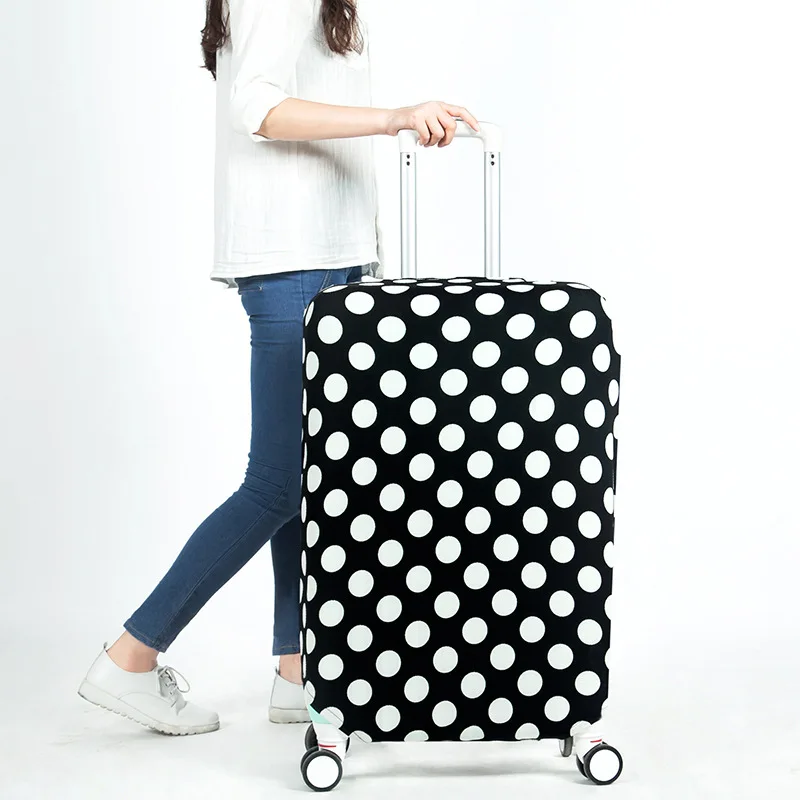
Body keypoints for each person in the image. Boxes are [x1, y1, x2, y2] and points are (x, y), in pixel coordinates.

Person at [77, 0, 480, 736]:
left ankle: (297, 670)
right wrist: (394, 118)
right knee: (278, 482)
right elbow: (257, 108)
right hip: (294, 260)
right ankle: (131, 656)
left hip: (327, 255)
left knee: (310, 475)